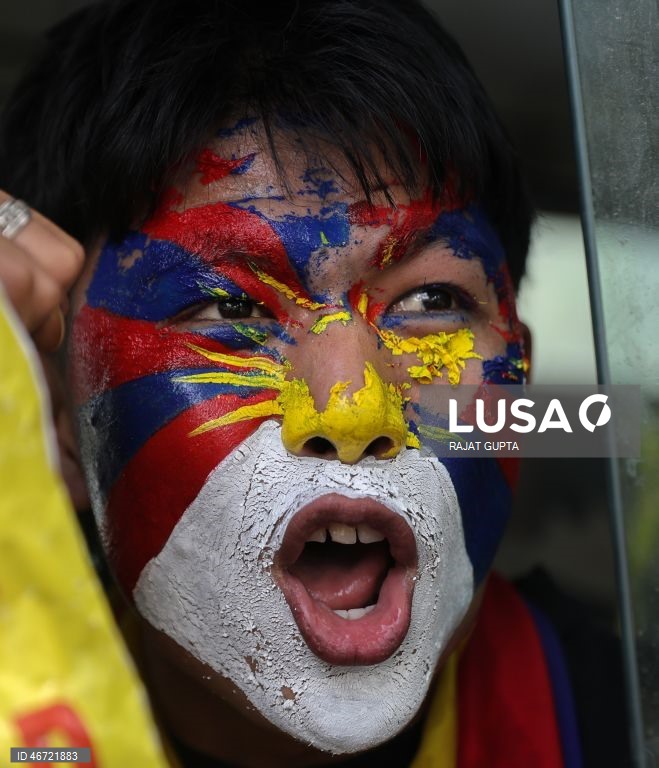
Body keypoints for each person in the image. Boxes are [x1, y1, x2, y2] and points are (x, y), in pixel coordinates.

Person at [0, 1, 620, 765]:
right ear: (57, 417)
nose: (352, 410)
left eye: (431, 303)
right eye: (226, 306)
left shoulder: (617, 717)